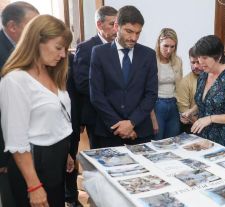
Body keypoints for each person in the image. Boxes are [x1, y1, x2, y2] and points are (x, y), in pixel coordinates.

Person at [0, 15, 74, 207]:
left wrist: (64, 153)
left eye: (65, 49)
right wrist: (33, 186)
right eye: (59, 48)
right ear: (36, 41)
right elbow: (16, 142)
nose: (63, 55)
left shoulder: (52, 72)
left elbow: (56, 116)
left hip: (56, 159)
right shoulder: (15, 80)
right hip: (34, 165)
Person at [89, 5, 158, 148]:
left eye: (138, 33)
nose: (134, 38)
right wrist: (120, 127)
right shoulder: (99, 53)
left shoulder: (148, 55)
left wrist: (132, 123)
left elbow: (151, 94)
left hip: (140, 131)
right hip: (109, 133)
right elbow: (96, 95)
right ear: (116, 26)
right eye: (129, 31)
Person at [0, 2, 39, 207]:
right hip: (7, 152)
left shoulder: (28, 49)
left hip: (31, 144)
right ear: (13, 27)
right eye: (32, 25)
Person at [182, 35, 225, 151]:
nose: (200, 62)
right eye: (199, 57)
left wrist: (210, 118)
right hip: (204, 139)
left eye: (204, 57)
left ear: (218, 57)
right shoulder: (203, 75)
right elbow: (206, 101)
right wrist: (191, 111)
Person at [73, 6, 118, 149]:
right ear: (99, 24)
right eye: (112, 24)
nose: (116, 29)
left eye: (118, 24)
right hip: (96, 116)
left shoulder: (121, 47)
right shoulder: (86, 48)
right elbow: (82, 84)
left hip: (119, 114)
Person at [151, 28, 182, 140]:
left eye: (172, 47)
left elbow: (179, 87)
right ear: (159, 43)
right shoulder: (151, 59)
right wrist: (152, 118)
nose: (169, 50)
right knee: (157, 141)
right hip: (157, 105)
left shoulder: (178, 61)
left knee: (173, 142)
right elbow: (146, 90)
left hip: (173, 104)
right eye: (166, 46)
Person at [66, 53, 83, 207]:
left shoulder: (70, 58)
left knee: (71, 158)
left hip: (73, 117)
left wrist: (80, 119)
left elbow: (77, 90)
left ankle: (72, 197)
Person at [176, 47, 203, 133]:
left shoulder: (212, 77)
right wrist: (203, 125)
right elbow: (185, 114)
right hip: (192, 128)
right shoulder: (184, 82)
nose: (195, 66)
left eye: (198, 62)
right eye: (193, 62)